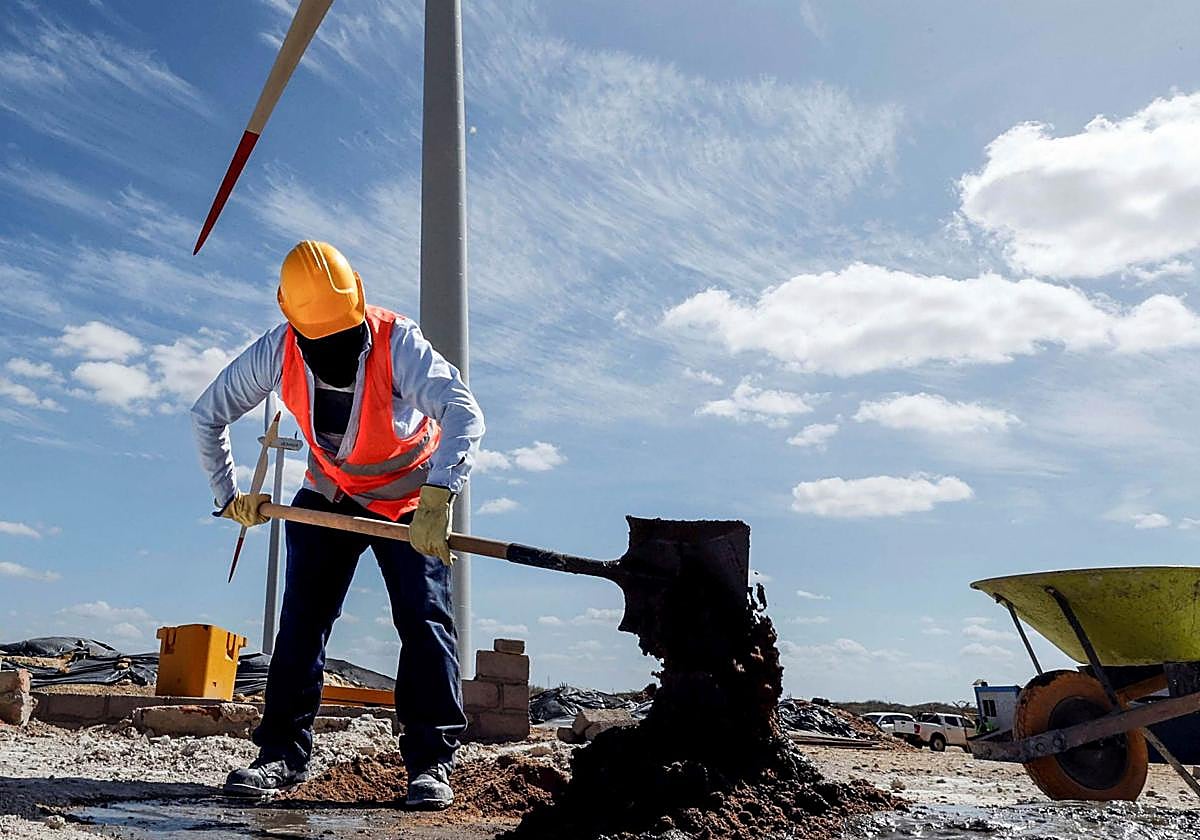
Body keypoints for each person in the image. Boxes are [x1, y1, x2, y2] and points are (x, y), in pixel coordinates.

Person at [191, 240, 484, 809]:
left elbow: (463, 411)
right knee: (300, 622)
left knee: (425, 622)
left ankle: (430, 763)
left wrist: (440, 493)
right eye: (317, 342)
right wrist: (228, 496)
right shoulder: (274, 353)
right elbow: (207, 415)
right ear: (293, 324)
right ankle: (279, 755)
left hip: (406, 499)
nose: (333, 353)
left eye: (343, 340)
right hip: (330, 491)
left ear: (360, 310)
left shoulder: (398, 343)